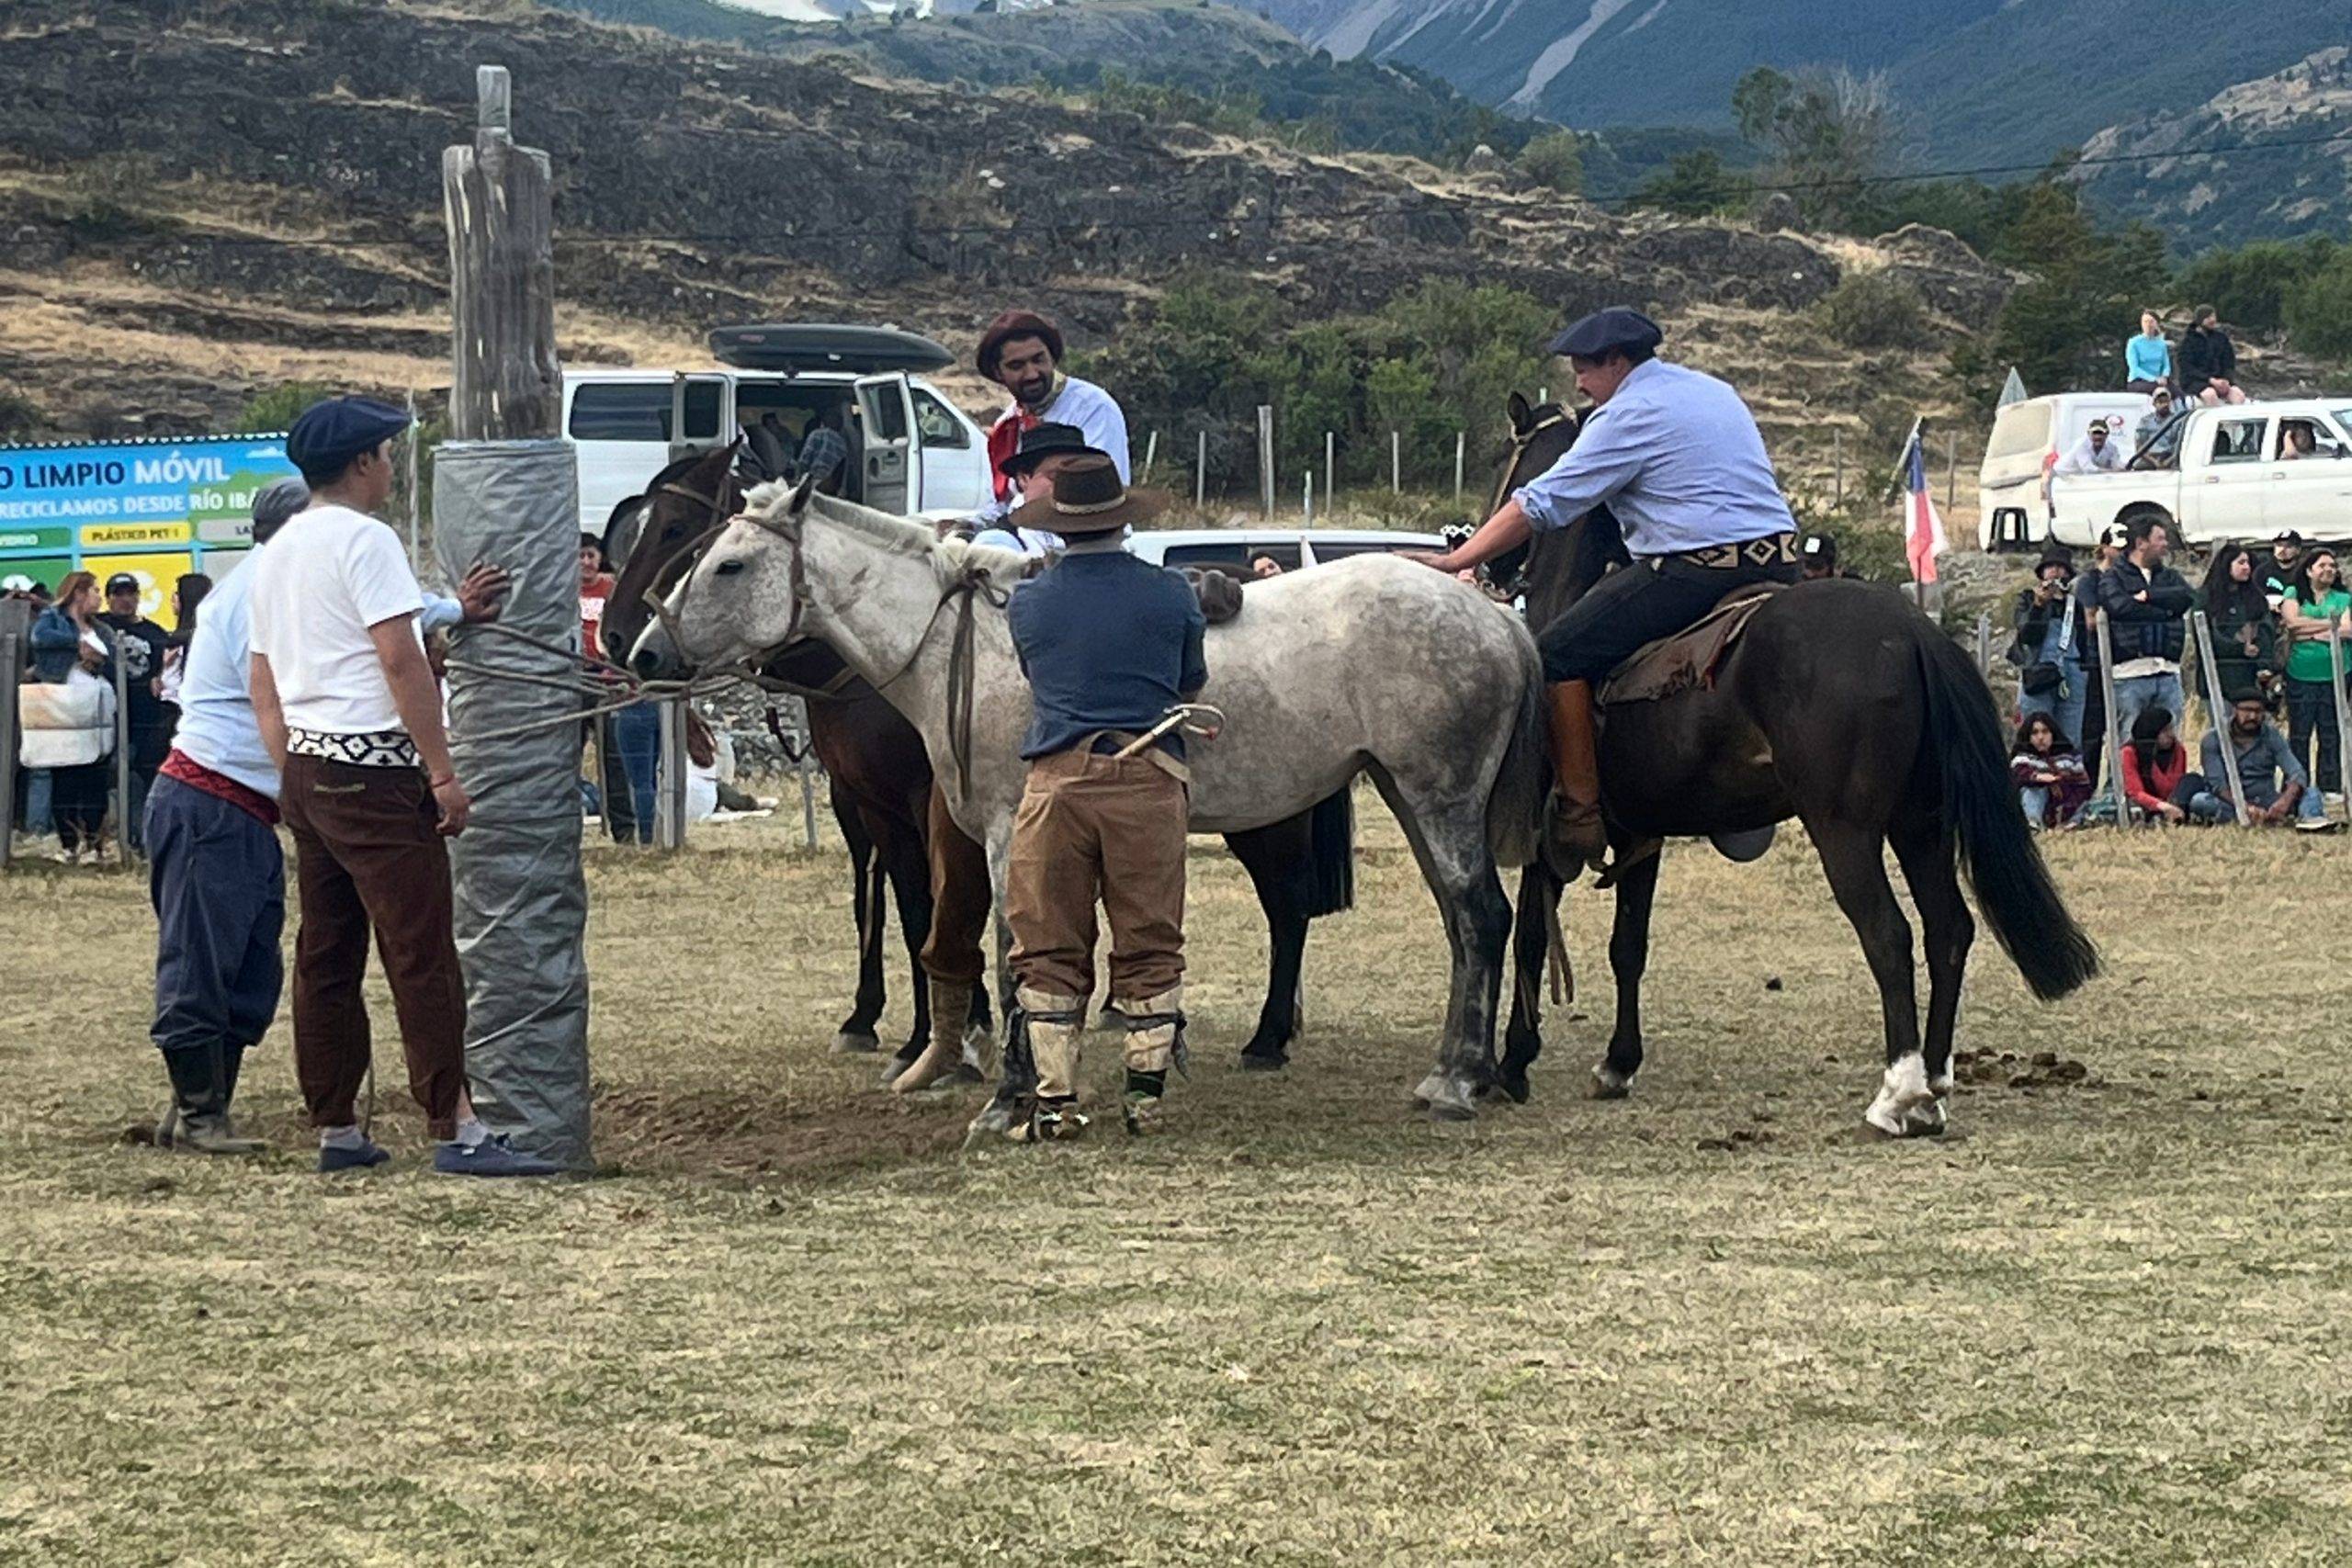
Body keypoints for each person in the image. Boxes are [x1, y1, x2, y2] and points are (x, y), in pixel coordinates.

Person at [249, 396, 553, 1177]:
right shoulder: (366, 539)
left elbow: (264, 677)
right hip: (374, 770)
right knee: (420, 950)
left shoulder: (277, 551)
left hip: (310, 769)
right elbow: (399, 657)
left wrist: (289, 768)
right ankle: (456, 1125)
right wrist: (442, 771)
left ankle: (336, 1124)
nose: (390, 467)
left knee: (327, 949)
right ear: (361, 464)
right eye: (386, 455)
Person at [1414, 307, 1801, 879]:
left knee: (1556, 656)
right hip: (1782, 566)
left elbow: (1543, 503)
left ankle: (1580, 809)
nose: (1577, 382)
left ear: (1617, 362)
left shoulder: (1626, 414)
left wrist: (1458, 558)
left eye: (1584, 369)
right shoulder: (1713, 390)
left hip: (1694, 573)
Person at [998, 457, 1201, 1141]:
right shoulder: (1173, 592)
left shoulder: (1029, 601)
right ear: (1124, 518)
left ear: (1057, 529)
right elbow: (1188, 680)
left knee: (1048, 938)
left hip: (1058, 781)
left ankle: (1056, 1103)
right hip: (1148, 777)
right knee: (1149, 937)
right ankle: (1144, 1099)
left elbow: (1037, 675)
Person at [972, 309, 1130, 531]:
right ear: (998, 373)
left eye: (1038, 360)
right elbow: (1001, 504)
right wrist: (965, 527)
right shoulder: (1008, 425)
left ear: (1052, 358)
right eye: (1016, 366)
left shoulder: (1093, 408)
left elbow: (1100, 495)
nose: (1032, 374)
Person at [2098, 513, 2193, 745]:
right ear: (2141, 543)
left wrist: (2150, 596)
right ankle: (2122, 783)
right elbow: (2120, 607)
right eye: (2160, 538)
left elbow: (2187, 597)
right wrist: (2166, 612)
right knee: (2127, 741)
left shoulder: (2170, 576)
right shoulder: (2113, 577)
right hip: (2129, 675)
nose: (2165, 544)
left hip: (2168, 672)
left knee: (2170, 742)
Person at [96, 570, 171, 852]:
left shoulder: (155, 634)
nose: (125, 600)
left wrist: (160, 676)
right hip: (108, 715)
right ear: (109, 598)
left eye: (131, 594)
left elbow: (169, 670)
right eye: (119, 594)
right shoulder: (99, 626)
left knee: (142, 776)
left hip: (145, 719)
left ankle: (140, 837)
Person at [2201, 689, 2336, 831]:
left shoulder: (2272, 736)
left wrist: (2284, 801)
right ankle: (2247, 818)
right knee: (2200, 801)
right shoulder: (2213, 739)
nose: (2252, 716)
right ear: (2234, 710)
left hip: (2267, 800)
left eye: (2258, 711)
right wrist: (2244, 807)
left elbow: (2297, 772)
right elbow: (2218, 785)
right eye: (2247, 710)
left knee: (2312, 793)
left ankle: (2311, 820)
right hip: (2230, 802)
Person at [968, 422, 1106, 556]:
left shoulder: (1106, 530)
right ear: (1024, 479)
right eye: (1054, 477)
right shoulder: (999, 543)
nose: (1067, 485)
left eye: (1076, 475)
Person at [2280, 547, 2352, 801]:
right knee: (2299, 733)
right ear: (2310, 570)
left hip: (2335, 674)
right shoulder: (2294, 593)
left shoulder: (2343, 598)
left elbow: (2347, 629)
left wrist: (2308, 629)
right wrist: (2329, 626)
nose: (2329, 570)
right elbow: (2292, 624)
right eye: (2323, 565)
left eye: (2333, 566)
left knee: (2331, 732)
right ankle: (2296, 787)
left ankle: (2330, 786)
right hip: (2300, 674)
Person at [2069, 525, 2123, 789]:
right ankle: (2086, 788)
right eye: (2117, 547)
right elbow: (2092, 621)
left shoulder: (2129, 578)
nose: (2122, 553)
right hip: (2093, 662)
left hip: (2122, 661)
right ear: (2103, 548)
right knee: (2092, 730)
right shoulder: (2089, 581)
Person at [2199, 542, 2279, 702]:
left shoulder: (2255, 597)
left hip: (2250, 679)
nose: (2246, 567)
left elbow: (2266, 631)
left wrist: (2264, 665)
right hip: (2218, 677)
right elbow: (2204, 636)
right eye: (2241, 563)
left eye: (2248, 563)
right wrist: (2238, 648)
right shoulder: (2206, 597)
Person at [2120, 706, 2227, 825]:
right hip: (2149, 804)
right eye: (2165, 731)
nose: (2171, 734)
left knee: (2193, 779)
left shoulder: (2178, 750)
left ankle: (2171, 815)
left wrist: (2173, 803)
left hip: (2174, 799)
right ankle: (2164, 815)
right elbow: (2135, 792)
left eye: (2171, 729)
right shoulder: (2129, 753)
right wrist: (2161, 805)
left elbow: (2176, 783)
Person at [2010, 545, 2076, 727]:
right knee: (2036, 726)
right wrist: (2039, 606)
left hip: (2072, 673)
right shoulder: (2027, 599)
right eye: (2050, 567)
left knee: (2070, 731)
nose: (2055, 572)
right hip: (2038, 669)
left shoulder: (2075, 602)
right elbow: (2027, 636)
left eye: (2061, 567)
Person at [2010, 714, 2090, 829]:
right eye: (2035, 733)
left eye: (2045, 731)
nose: (2040, 737)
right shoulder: (2023, 759)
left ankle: (2073, 823)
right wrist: (2037, 778)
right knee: (2032, 792)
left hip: (2067, 807)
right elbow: (2018, 774)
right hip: (2040, 807)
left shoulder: (2070, 758)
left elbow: (2083, 786)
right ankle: (2033, 824)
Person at [157, 572, 214, 716]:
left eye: (177, 594)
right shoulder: (210, 633)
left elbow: (171, 684)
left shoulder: (186, 639)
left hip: (183, 711)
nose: (173, 599)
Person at [2177, 306, 2248, 405]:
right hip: (2196, 381)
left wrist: (2226, 380)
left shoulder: (2221, 338)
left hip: (2220, 379)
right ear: (2200, 320)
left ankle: (2237, 419)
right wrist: (2210, 380)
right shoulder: (2188, 342)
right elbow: (2187, 367)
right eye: (2209, 317)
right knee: (2210, 395)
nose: (2213, 320)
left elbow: (2229, 362)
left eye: (2214, 316)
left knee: (2238, 395)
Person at [2053, 419, 2126, 478]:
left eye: (2101, 433)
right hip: (2061, 476)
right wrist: (2111, 471)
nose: (2097, 437)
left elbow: (2116, 464)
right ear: (2089, 434)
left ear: (2106, 434)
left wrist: (2122, 469)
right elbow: (2088, 468)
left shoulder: (2112, 448)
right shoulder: (2081, 445)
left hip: (2079, 478)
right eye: (2094, 433)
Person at [2124, 310, 2173, 392]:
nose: (2148, 325)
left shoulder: (2161, 344)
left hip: (2159, 380)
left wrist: (2164, 376)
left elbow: (2166, 364)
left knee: (2178, 393)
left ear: (2156, 324)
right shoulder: (2134, 343)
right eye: (2145, 322)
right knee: (2160, 391)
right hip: (2138, 381)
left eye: (2151, 322)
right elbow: (2134, 368)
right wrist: (2153, 379)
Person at [2133, 387, 2180, 460]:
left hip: (2171, 458)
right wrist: (2155, 462)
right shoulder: (2145, 421)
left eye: (2167, 401)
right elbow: (2139, 446)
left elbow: (2181, 446)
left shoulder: (2178, 420)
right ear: (2154, 403)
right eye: (2161, 402)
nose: (2165, 404)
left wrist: (2168, 462)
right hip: (2149, 459)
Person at [2263, 531, 2305, 608]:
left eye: (2288, 546)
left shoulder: (2305, 570)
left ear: (2298, 550)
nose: (2282, 549)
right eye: (2279, 545)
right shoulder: (2262, 571)